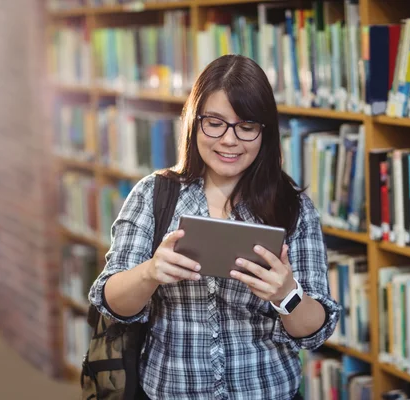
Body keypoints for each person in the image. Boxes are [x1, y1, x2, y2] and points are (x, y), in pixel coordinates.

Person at [88, 54, 340, 400]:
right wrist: (150, 273)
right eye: (215, 123)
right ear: (195, 121)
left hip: (267, 390)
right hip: (168, 390)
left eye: (246, 126)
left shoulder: (291, 207)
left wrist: (287, 295)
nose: (229, 140)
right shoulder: (154, 194)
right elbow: (110, 302)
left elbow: (315, 331)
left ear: (264, 133)